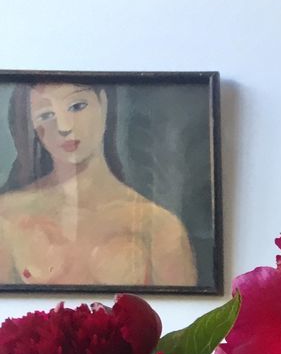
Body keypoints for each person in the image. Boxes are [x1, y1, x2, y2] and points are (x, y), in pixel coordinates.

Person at [0, 81, 197, 287]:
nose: (65, 126)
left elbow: (186, 314)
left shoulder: (159, 226)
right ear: (32, 125)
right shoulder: (7, 216)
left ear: (103, 104)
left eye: (77, 106)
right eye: (47, 115)